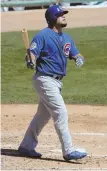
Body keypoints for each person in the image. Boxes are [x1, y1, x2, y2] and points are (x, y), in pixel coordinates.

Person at [18, 5, 87, 161]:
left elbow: (76, 54)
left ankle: (26, 146)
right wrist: (30, 61)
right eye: (60, 14)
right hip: (45, 80)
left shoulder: (67, 37)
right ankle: (68, 151)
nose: (64, 16)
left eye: (64, 14)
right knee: (60, 112)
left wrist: (79, 59)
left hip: (56, 83)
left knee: (42, 116)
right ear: (51, 18)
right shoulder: (42, 36)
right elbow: (32, 55)